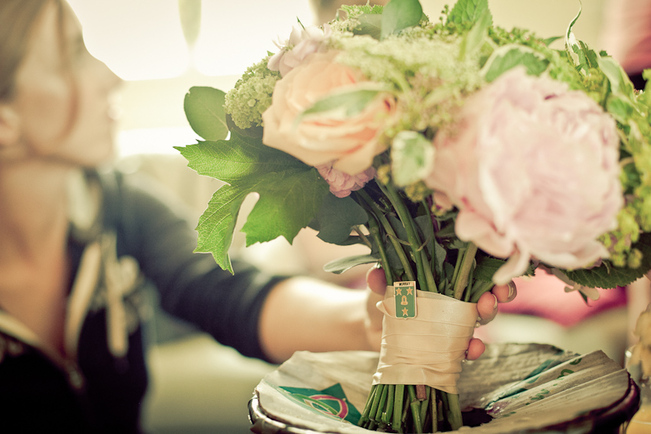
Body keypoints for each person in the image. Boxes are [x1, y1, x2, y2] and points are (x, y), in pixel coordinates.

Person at [0, 0, 514, 432]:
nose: (110, 77)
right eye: (70, 54)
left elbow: (230, 294)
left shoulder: (120, 204)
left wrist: (369, 323)